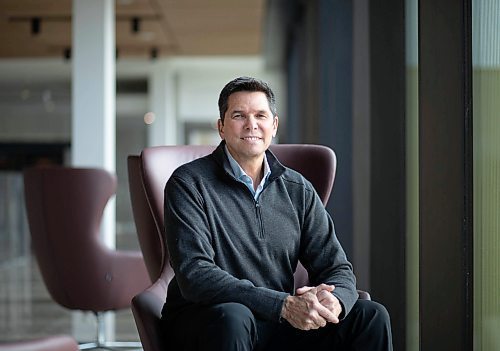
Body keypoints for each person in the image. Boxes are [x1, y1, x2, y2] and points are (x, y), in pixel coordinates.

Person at [161, 76, 393, 350]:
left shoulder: (297, 189)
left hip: (277, 322)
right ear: (221, 127)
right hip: (208, 318)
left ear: (274, 125)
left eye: (260, 115)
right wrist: (281, 305)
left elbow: (337, 267)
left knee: (371, 316)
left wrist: (337, 300)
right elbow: (195, 274)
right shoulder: (188, 183)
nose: (251, 124)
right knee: (234, 316)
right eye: (239, 115)